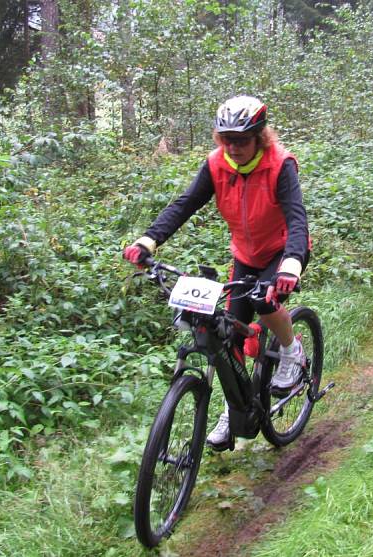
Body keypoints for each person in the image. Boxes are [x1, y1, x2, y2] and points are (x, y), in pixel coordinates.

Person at [123, 95, 310, 450]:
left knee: (265, 301)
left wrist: (291, 265)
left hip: (282, 253)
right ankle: (234, 407)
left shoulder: (279, 164)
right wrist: (149, 240)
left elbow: (297, 218)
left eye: (241, 140)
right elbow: (186, 204)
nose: (234, 147)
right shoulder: (216, 164)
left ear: (259, 136)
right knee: (229, 336)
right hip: (245, 254)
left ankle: (291, 349)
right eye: (227, 139)